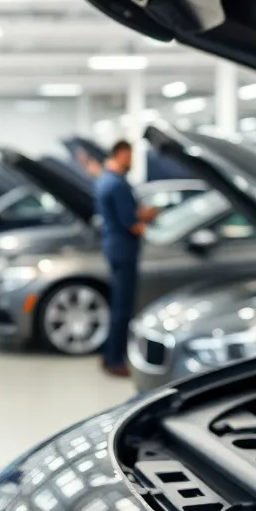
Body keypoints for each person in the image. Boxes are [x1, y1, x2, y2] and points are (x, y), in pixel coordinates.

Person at [93, 141, 158, 377]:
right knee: (122, 308)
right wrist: (155, 228)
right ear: (120, 153)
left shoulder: (104, 180)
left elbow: (125, 213)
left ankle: (107, 354)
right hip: (124, 250)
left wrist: (141, 214)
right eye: (130, 156)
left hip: (113, 247)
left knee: (117, 305)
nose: (132, 161)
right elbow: (131, 224)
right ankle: (115, 360)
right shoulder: (119, 184)